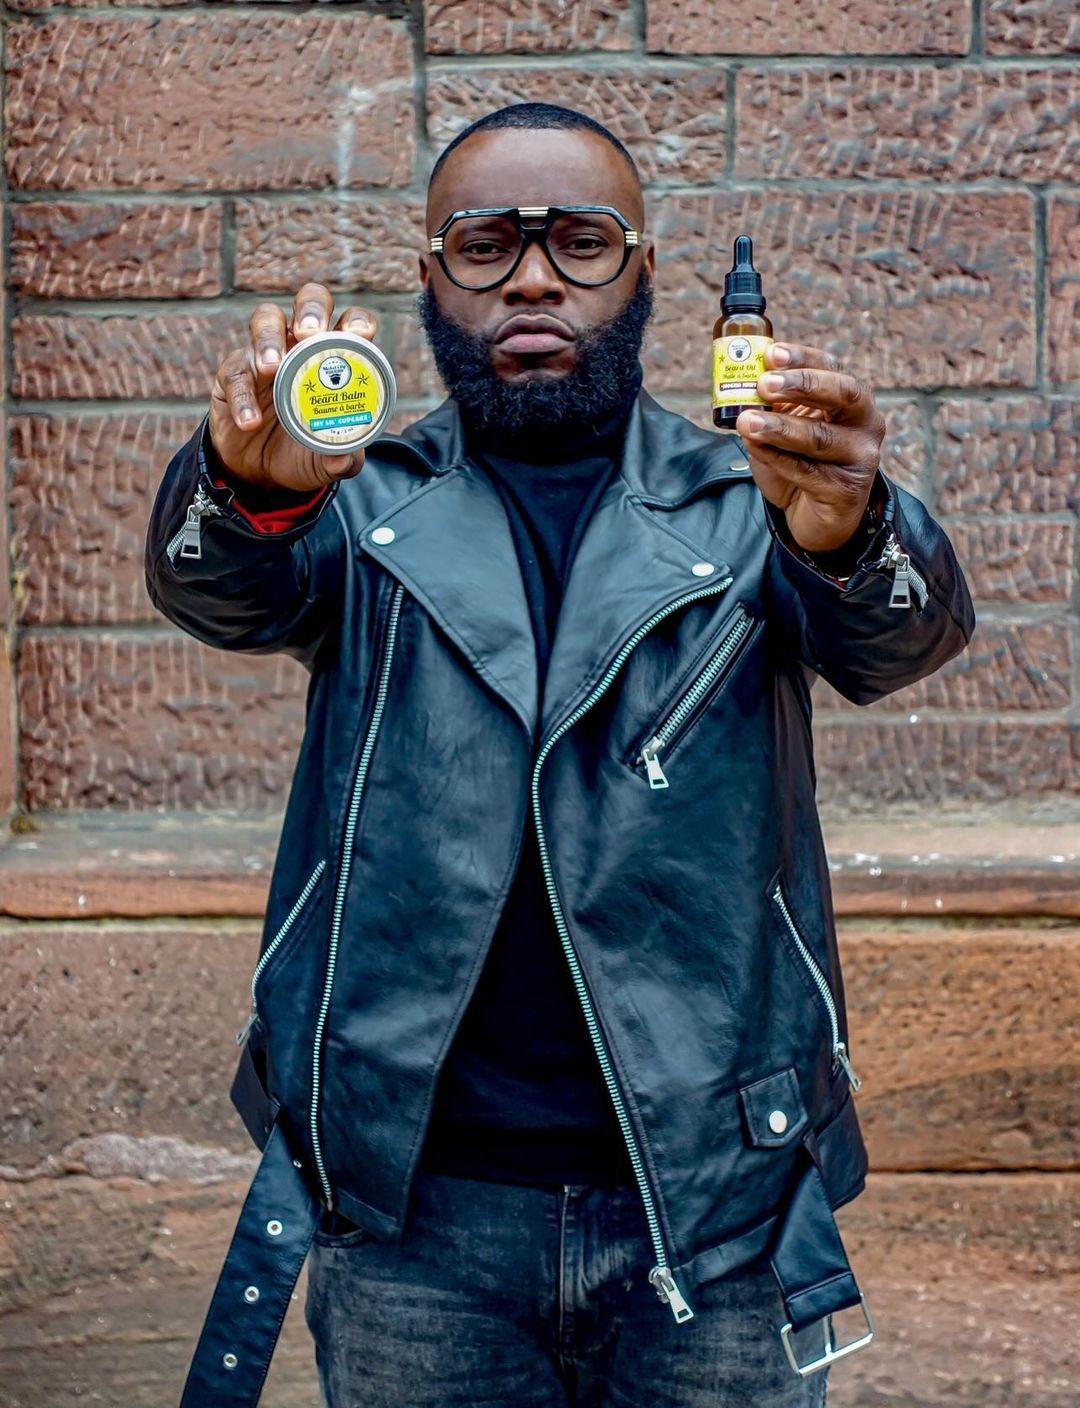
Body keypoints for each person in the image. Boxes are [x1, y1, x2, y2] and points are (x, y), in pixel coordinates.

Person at [145, 103, 976, 1408]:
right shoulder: (358, 503)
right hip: (415, 1214)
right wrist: (244, 486)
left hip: (718, 1206)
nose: (532, 276)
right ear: (431, 279)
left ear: (641, 278)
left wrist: (859, 529)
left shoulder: (757, 499)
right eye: (485, 243)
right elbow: (221, 592)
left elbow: (902, 642)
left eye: (580, 242)